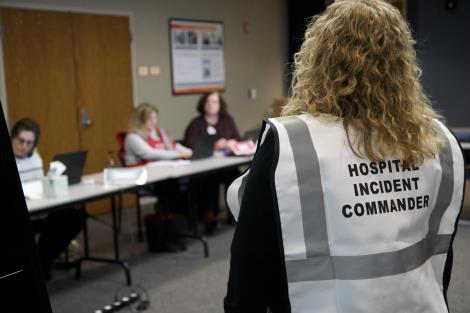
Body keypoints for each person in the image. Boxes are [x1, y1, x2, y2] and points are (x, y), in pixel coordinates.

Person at [224, 1, 465, 312]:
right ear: (402, 64)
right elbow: (441, 256)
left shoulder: (294, 143)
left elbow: (250, 267)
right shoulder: (436, 142)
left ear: (318, 60)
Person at [11, 118, 85, 280]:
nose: (24, 146)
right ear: (13, 137)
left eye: (29, 143)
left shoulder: (34, 158)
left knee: (74, 218)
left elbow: (38, 183)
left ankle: (42, 262)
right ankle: (38, 266)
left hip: (39, 207)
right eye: (21, 141)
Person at [183, 92, 241, 233]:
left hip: (225, 164)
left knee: (236, 175)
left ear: (220, 105)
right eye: (208, 101)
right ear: (203, 104)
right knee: (208, 179)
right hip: (205, 166)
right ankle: (209, 217)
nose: (211, 104)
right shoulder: (197, 123)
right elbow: (190, 144)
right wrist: (214, 145)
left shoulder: (226, 120)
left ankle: (233, 213)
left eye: (215, 101)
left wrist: (230, 142)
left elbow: (237, 138)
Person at [125, 102, 192, 165]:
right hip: (143, 172)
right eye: (149, 119)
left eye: (155, 118)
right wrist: (179, 154)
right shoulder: (133, 137)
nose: (154, 122)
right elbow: (149, 154)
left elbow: (173, 146)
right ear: (140, 120)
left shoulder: (159, 132)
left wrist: (189, 152)